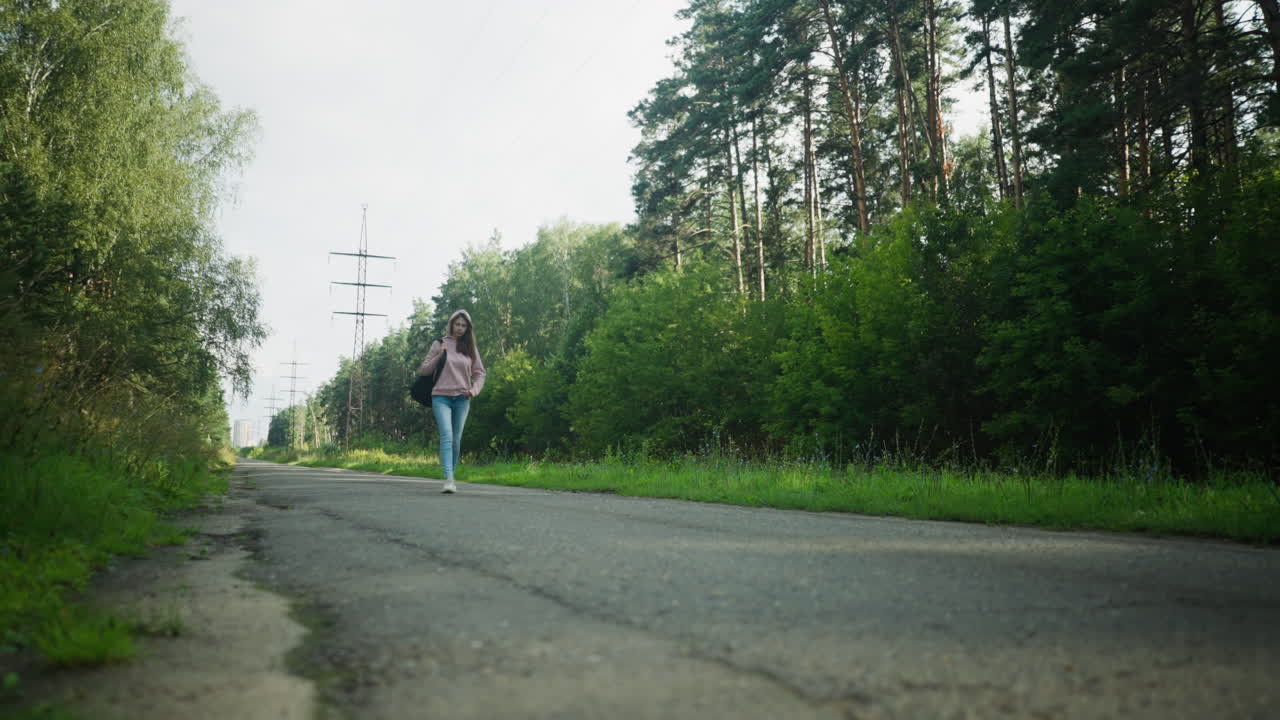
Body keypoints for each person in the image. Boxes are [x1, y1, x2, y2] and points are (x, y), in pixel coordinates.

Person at [417, 309, 485, 493]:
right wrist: (441, 355)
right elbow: (424, 370)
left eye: (464, 325)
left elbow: (480, 373)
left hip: (462, 399)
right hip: (441, 397)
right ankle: (448, 478)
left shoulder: (470, 348)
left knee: (456, 440)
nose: (460, 328)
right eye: (457, 324)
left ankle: (452, 476)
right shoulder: (439, 344)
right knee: (446, 436)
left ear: (468, 328)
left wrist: (474, 390)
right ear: (451, 324)